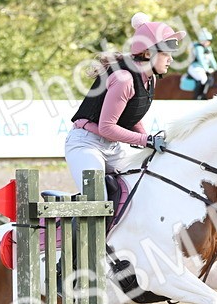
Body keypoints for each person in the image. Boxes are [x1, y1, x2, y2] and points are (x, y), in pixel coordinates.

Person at [65, 12, 185, 187]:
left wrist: (148, 139)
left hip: (112, 147)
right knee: (97, 199)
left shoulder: (149, 78)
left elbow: (133, 115)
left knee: (145, 185)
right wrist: (146, 140)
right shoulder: (124, 79)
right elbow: (106, 127)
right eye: (166, 54)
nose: (171, 59)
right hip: (86, 144)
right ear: (147, 53)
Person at [186, 29, 217, 100]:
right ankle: (197, 97)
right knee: (203, 79)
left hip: (203, 68)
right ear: (203, 40)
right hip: (195, 67)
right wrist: (206, 69)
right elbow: (201, 60)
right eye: (207, 41)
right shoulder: (198, 48)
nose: (209, 42)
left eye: (209, 41)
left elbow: (212, 60)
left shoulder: (208, 48)